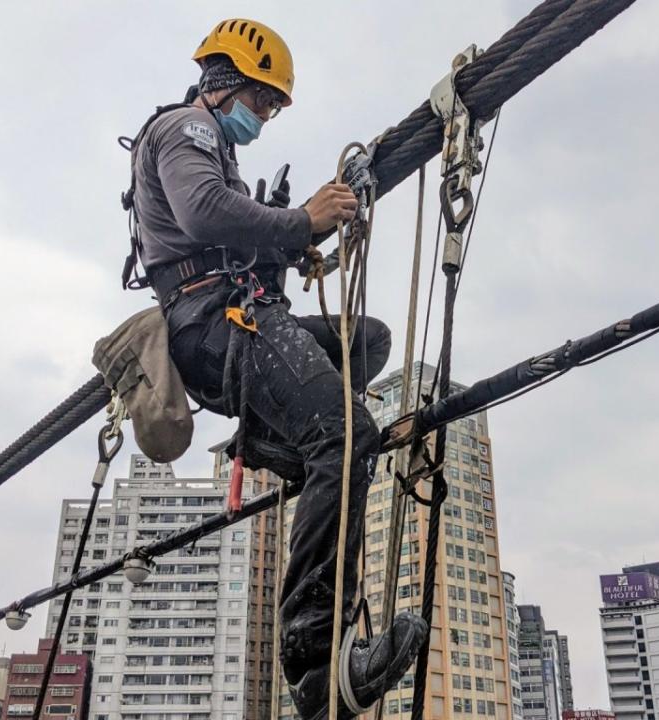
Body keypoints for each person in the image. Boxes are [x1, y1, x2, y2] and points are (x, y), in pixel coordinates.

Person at [123, 18, 427, 719]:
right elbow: (202, 216)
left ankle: (274, 441)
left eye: (272, 108)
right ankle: (316, 660)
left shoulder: (216, 154)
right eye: (263, 102)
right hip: (214, 326)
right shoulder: (185, 130)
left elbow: (227, 231)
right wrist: (300, 223)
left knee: (366, 342)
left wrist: (291, 242)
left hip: (237, 318)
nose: (265, 116)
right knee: (348, 435)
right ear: (227, 80)